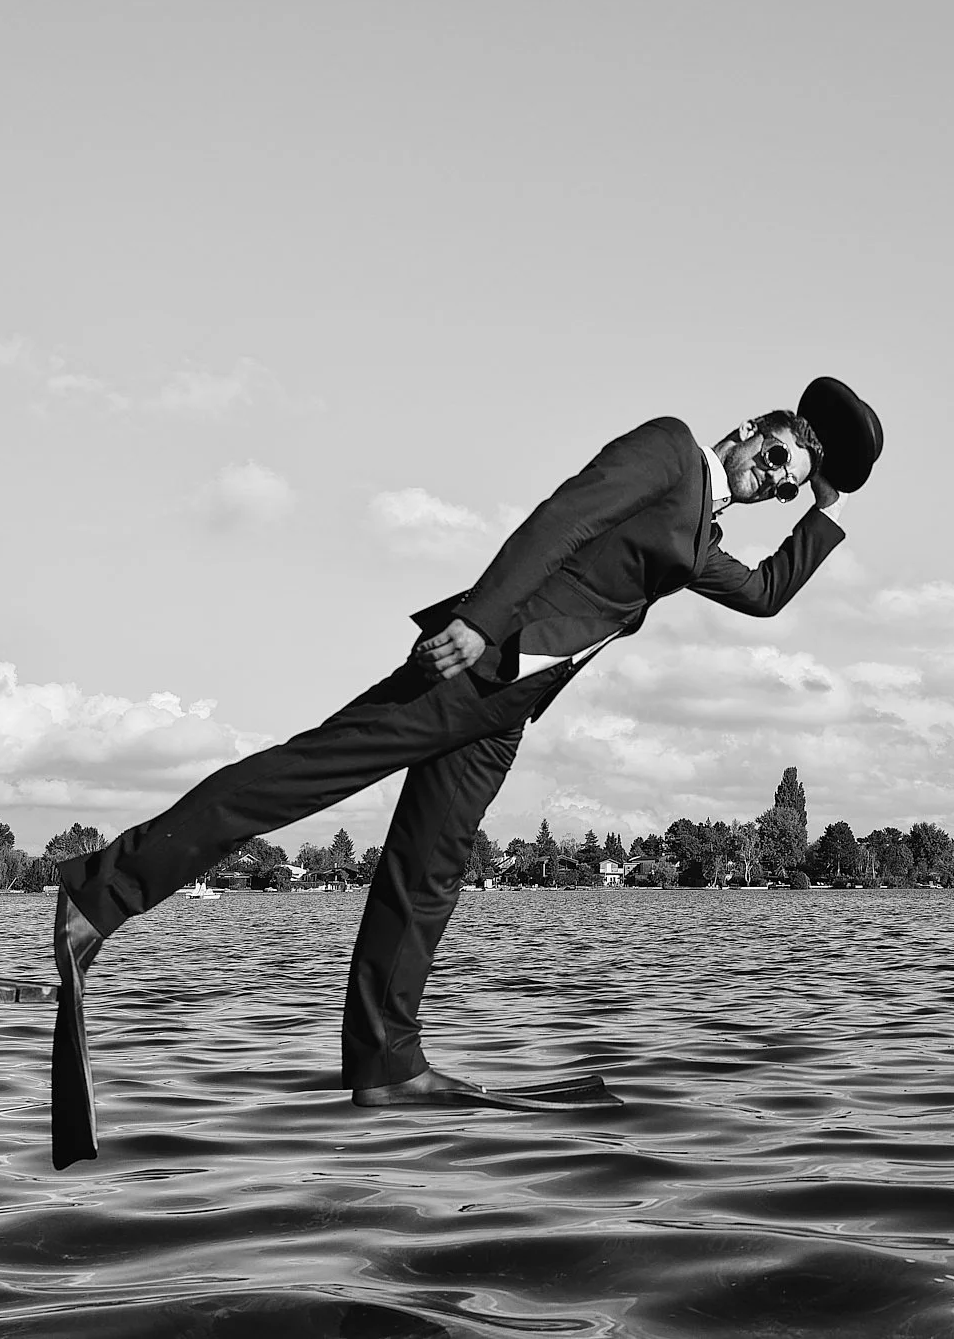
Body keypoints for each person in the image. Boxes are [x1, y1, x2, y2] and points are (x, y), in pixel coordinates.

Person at [50, 375, 883, 1168]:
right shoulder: (668, 450)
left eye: (784, 485)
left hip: (507, 705)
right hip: (476, 661)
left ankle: (386, 1060)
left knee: (429, 872)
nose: (767, 480)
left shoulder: (702, 536)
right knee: (303, 776)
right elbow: (560, 520)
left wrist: (824, 508)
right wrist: (481, 621)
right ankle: (103, 890)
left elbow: (769, 592)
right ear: (747, 429)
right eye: (773, 459)